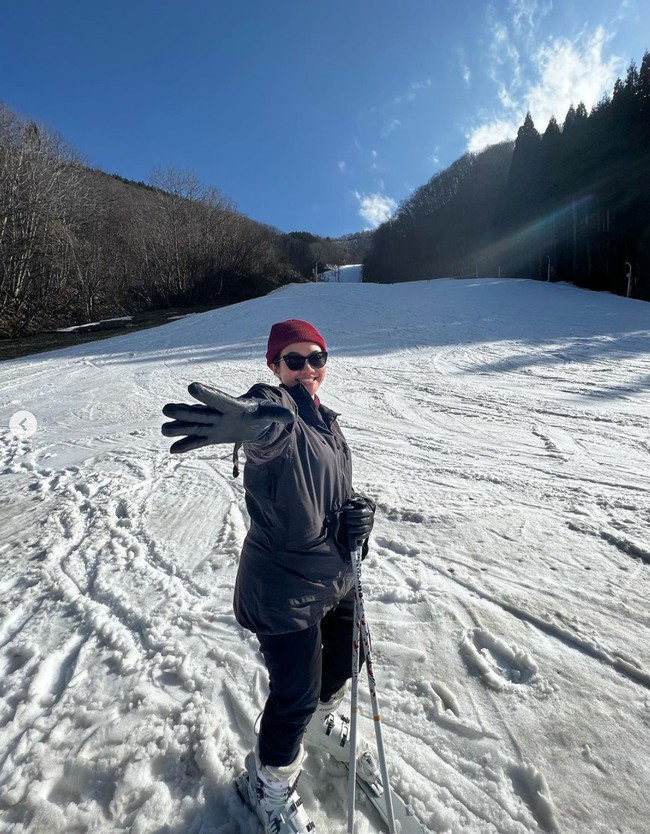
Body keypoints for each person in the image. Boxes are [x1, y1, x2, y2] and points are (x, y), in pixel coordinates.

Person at [161, 319, 377, 834]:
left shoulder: (328, 420)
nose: (307, 370)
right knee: (294, 694)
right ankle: (267, 782)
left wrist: (360, 512)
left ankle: (321, 723)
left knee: (352, 652)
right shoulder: (278, 409)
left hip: (336, 571)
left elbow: (334, 488)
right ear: (275, 367)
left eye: (315, 358)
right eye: (293, 360)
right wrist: (253, 419)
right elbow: (269, 421)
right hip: (283, 586)